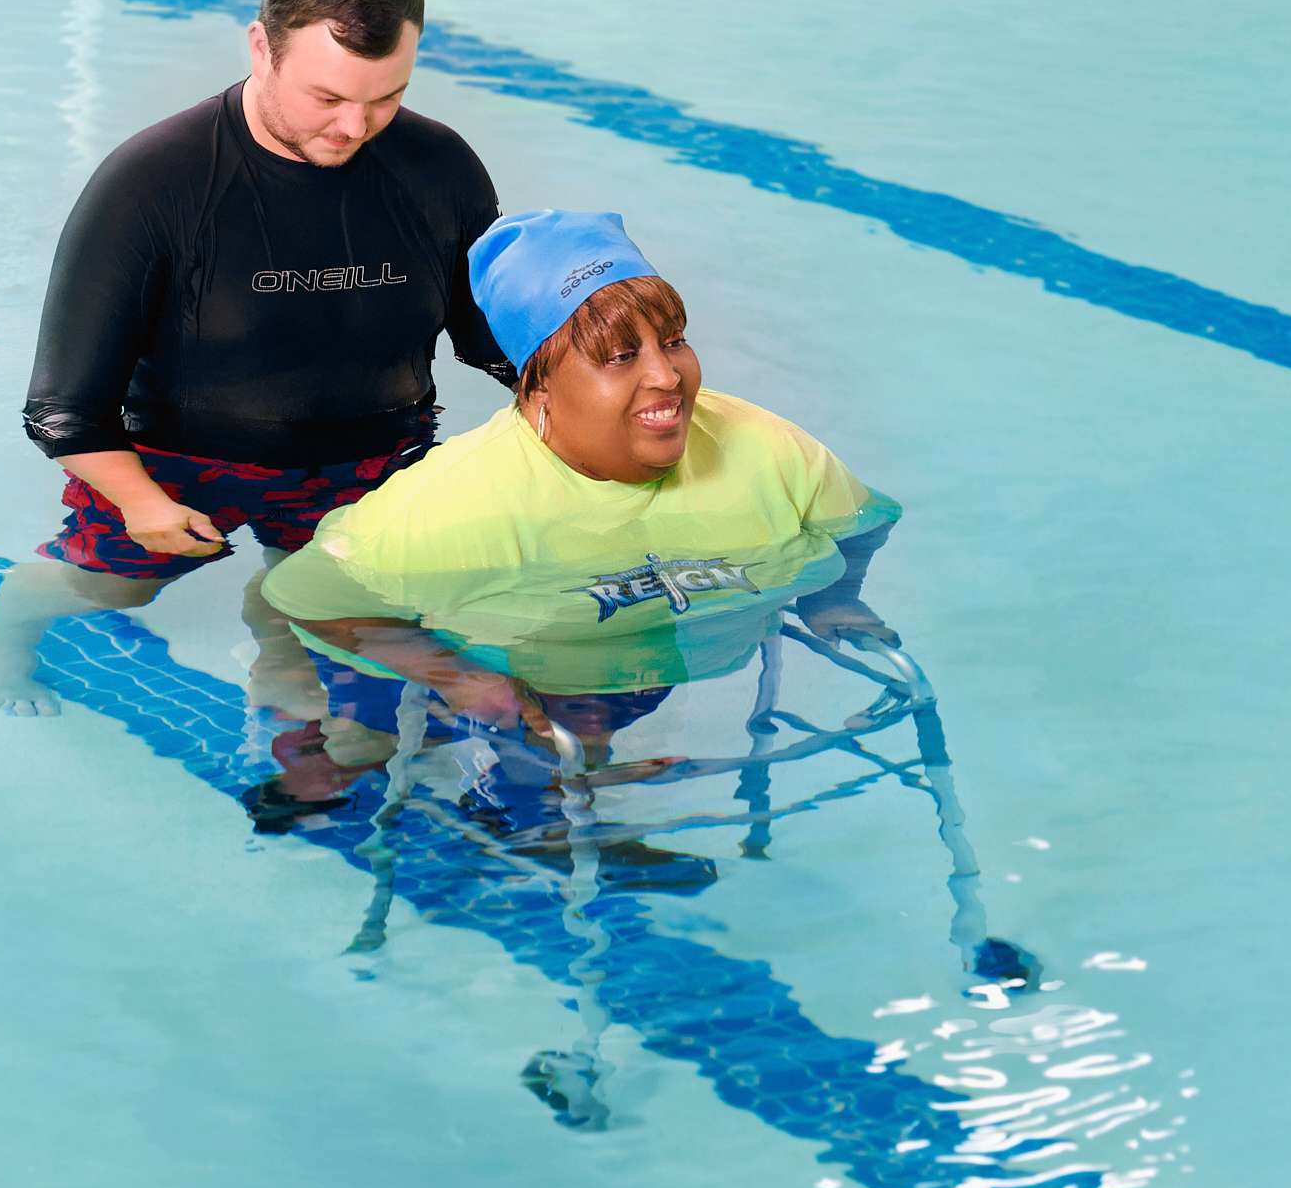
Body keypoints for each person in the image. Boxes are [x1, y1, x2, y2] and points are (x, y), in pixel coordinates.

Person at [0, 0, 514, 715]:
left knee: (317, 599)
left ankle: (280, 653)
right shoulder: (154, 184)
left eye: (387, 97)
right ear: (261, 48)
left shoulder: (440, 169)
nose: (354, 129)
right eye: (327, 96)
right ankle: (3, 635)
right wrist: (145, 502)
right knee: (111, 588)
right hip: (179, 463)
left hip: (368, 460)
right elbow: (63, 408)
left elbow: (492, 342)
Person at [254, 210, 900, 861]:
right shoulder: (455, 504)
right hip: (440, 661)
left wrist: (833, 599)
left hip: (613, 665)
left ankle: (530, 804)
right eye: (622, 356)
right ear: (537, 381)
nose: (667, 377)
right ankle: (347, 761)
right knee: (375, 741)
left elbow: (859, 525)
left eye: (673, 341)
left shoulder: (761, 448)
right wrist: (457, 676)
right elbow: (307, 595)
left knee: (576, 719)